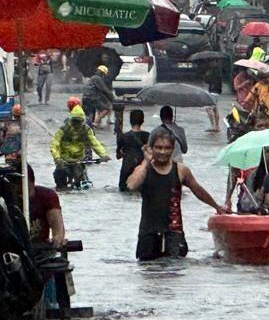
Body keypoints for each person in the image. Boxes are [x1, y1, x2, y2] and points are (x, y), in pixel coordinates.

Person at [127, 127, 229, 260]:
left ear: (173, 148)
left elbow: (198, 190)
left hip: (174, 234)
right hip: (149, 234)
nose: (162, 152)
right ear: (151, 148)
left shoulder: (181, 170)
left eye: (167, 148)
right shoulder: (143, 169)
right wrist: (146, 161)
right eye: (158, 147)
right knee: (149, 273)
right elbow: (131, 185)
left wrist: (217, 207)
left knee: (175, 272)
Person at [50, 105, 109, 189]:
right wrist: (57, 158)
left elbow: (94, 143)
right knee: (60, 177)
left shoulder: (86, 129)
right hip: (64, 161)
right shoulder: (63, 130)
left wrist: (103, 155)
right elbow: (54, 144)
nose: (77, 124)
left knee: (83, 184)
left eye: (79, 122)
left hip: (79, 161)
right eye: (75, 122)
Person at [116, 109, 150, 192]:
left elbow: (118, 156)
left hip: (126, 167)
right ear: (142, 121)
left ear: (130, 121)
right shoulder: (148, 136)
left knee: (124, 192)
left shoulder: (123, 136)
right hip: (141, 169)